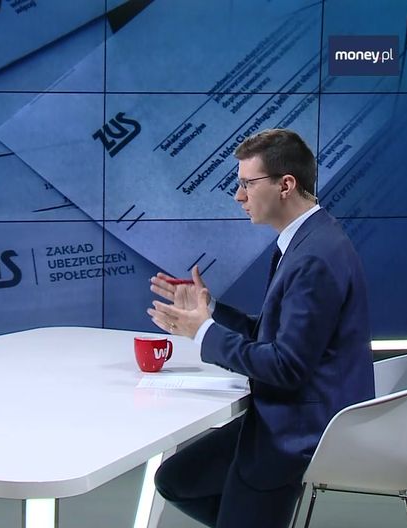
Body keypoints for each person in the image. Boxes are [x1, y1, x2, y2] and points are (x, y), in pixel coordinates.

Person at [146, 128, 374, 527]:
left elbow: (286, 366)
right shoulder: (311, 239)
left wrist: (203, 334)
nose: (239, 196)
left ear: (286, 185)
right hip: (291, 413)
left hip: (298, 431)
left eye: (247, 184)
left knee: (184, 481)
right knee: (176, 478)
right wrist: (210, 311)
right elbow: (278, 335)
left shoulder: (314, 258)